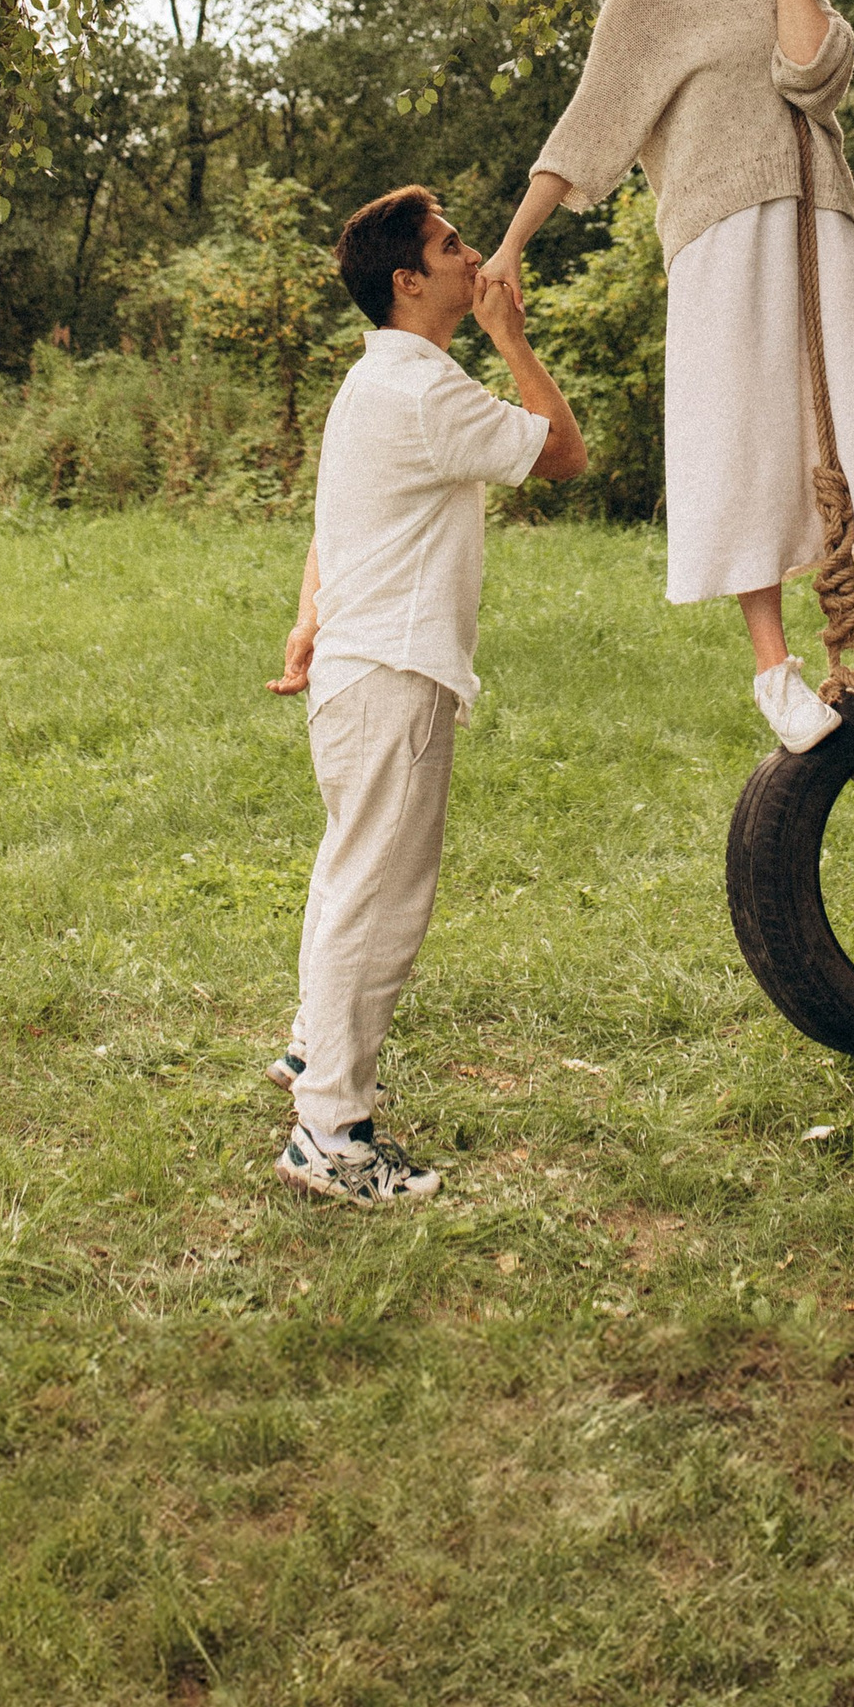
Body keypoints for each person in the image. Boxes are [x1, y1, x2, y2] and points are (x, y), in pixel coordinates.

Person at [478, 0, 854, 756]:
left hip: (816, 216)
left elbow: (814, 76)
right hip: (713, 240)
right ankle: (775, 672)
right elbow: (591, 127)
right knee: (741, 437)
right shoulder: (642, 3)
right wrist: (509, 244)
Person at [267, 184, 586, 1205]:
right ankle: (330, 1132)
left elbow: (332, 524)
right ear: (409, 280)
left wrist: (308, 617)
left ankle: (314, 1051)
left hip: (362, 672)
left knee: (347, 874)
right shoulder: (425, 390)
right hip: (392, 677)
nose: (474, 255)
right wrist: (511, 335)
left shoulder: (378, 383)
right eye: (452, 245)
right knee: (381, 897)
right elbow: (565, 453)